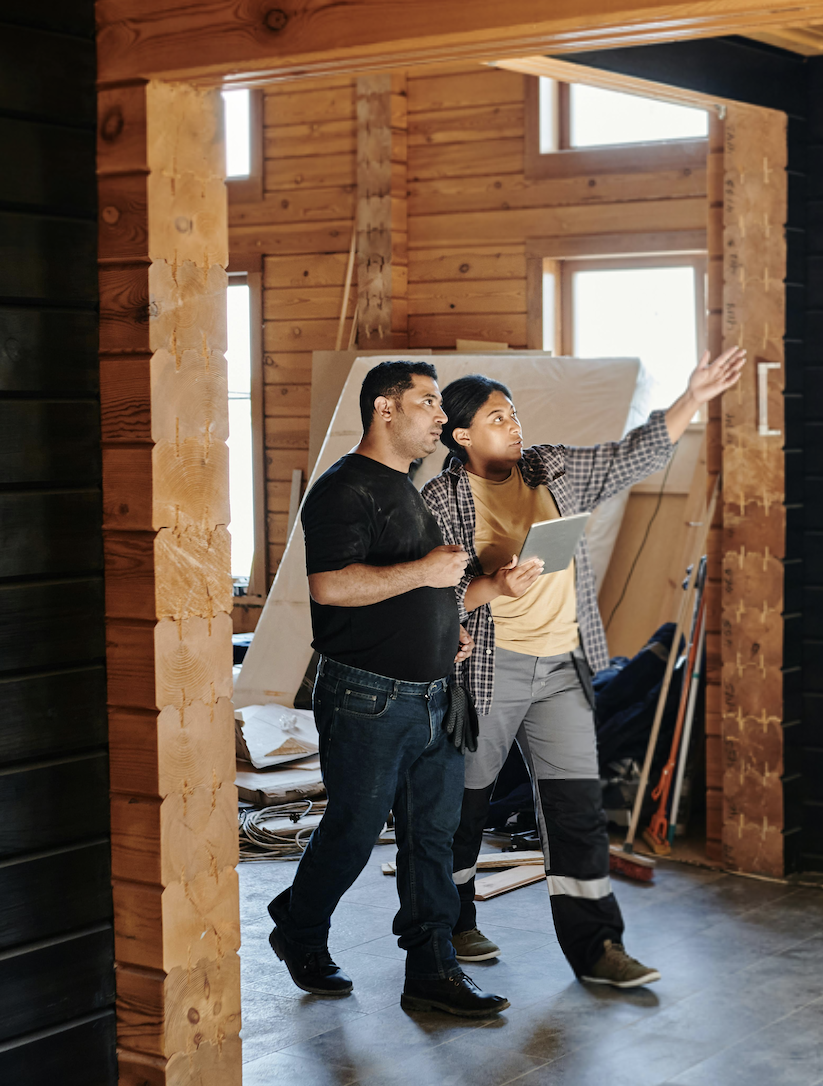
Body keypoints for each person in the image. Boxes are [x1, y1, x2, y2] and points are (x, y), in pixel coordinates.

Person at [421, 347, 748, 988]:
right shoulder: (440, 500)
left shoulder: (553, 469)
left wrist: (693, 398)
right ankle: (451, 920)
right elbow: (430, 596)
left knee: (575, 808)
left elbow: (634, 454)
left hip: (563, 666)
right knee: (465, 803)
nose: (513, 426)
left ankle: (597, 948)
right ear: (460, 436)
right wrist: (494, 582)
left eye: (513, 414)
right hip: (490, 669)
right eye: (495, 418)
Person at [265, 359, 509, 1019]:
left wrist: (445, 634)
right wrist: (429, 573)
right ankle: (300, 926)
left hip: (434, 693)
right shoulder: (344, 489)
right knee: (353, 829)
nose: (440, 416)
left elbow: (414, 591)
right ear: (385, 409)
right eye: (427, 402)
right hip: (369, 697)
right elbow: (332, 586)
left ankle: (432, 972)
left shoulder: (407, 487)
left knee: (432, 836)